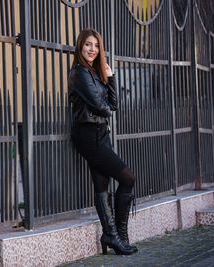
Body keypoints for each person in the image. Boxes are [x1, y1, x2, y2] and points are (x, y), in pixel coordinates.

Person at [68, 28, 138, 255]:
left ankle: (113, 236)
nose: (92, 49)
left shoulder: (95, 74)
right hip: (88, 135)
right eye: (88, 44)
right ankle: (117, 233)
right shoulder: (79, 73)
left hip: (100, 134)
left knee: (101, 182)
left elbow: (113, 105)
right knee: (128, 177)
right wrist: (105, 102)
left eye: (96, 46)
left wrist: (112, 77)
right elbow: (103, 108)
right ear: (80, 46)